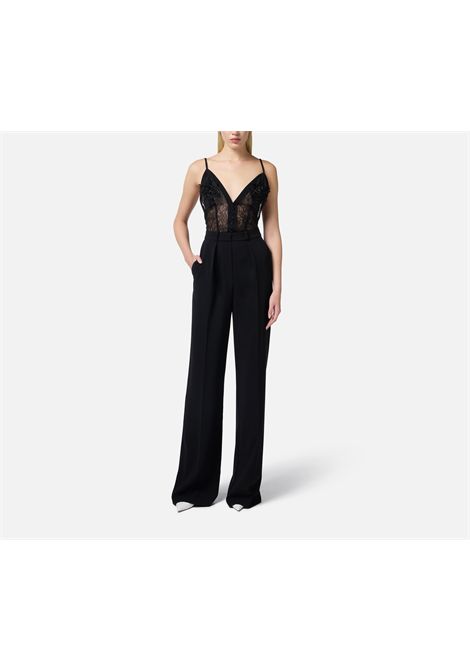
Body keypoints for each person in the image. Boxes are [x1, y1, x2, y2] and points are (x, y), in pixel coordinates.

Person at [171, 131, 282, 511]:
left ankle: (245, 490)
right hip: (212, 266)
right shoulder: (199, 169)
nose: (235, 128)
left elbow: (272, 229)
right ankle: (194, 486)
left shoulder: (267, 170)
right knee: (204, 372)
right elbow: (179, 221)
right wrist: (192, 261)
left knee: (251, 377)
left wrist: (277, 287)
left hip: (255, 267)